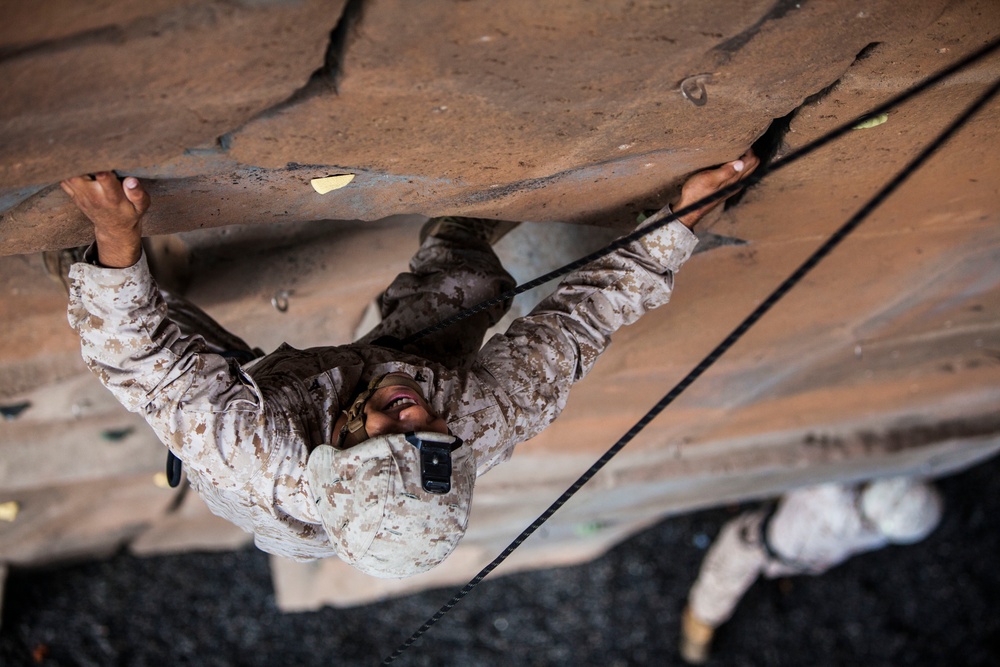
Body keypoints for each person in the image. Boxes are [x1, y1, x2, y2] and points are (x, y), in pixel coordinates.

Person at [59, 152, 759, 578]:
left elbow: (135, 355)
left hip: (267, 427)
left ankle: (105, 261)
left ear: (336, 442)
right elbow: (578, 323)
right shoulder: (473, 428)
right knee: (472, 287)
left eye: (394, 425)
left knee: (119, 298)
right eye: (430, 430)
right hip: (362, 390)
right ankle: (456, 236)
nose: (417, 409)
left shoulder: (250, 447)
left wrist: (116, 235)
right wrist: (679, 225)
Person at [679, 476, 944, 664]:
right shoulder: (877, 533)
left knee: (721, 580)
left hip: (758, 544)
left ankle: (699, 630)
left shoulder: (833, 501)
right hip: (804, 557)